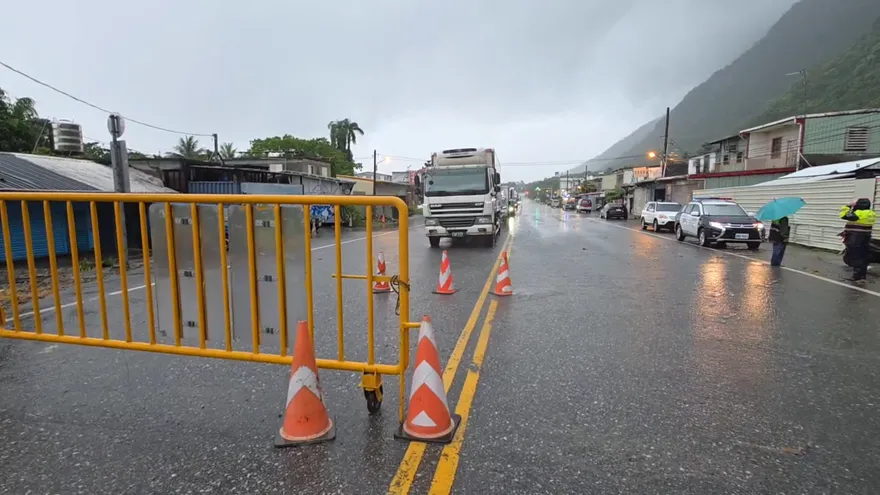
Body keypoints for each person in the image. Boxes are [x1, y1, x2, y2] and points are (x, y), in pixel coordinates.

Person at [840, 198, 877, 282]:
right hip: (865, 237)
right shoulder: (871, 213)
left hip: (855, 238)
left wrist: (848, 206)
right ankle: (862, 275)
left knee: (856, 256)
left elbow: (843, 215)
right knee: (863, 256)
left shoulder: (859, 213)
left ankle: (856, 276)